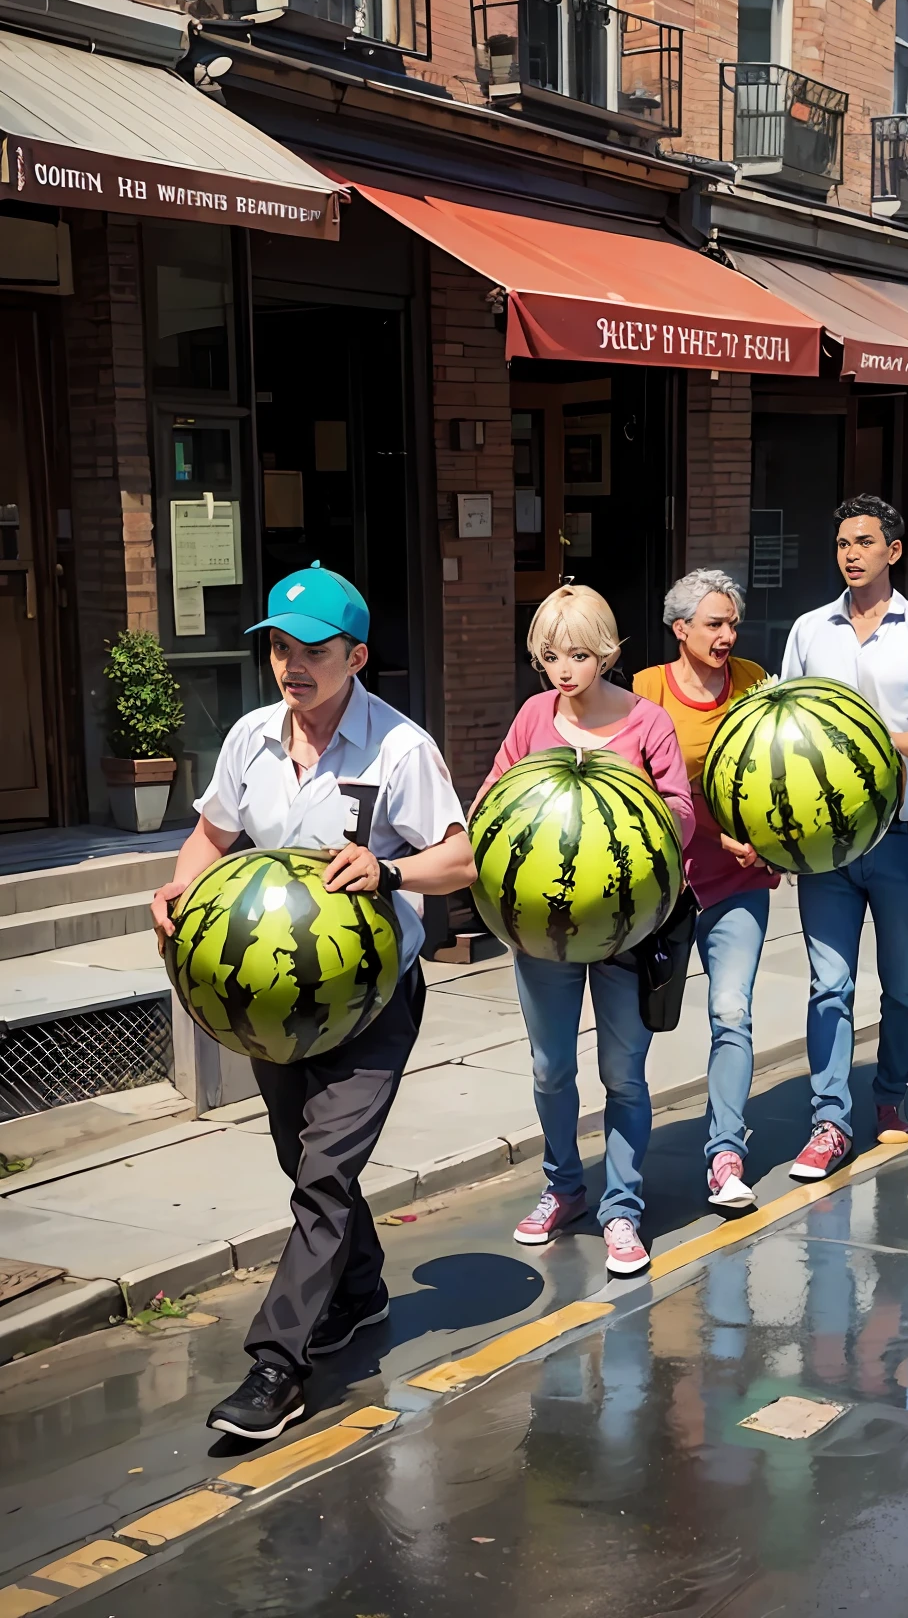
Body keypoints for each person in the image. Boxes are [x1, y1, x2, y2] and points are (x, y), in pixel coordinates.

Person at [149, 565, 475, 1442]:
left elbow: (461, 858)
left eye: (314, 652)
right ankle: (360, 1292)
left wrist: (392, 869)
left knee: (326, 1171)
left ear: (356, 656)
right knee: (303, 1160)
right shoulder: (251, 738)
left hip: (370, 999)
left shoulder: (400, 748)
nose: (293, 666)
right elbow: (212, 835)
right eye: (281, 649)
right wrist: (178, 890)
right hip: (271, 997)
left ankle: (276, 1367)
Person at [478, 585, 693, 1277]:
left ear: (605, 651)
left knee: (623, 1074)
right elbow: (492, 798)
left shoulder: (647, 722)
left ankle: (622, 1208)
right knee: (551, 1068)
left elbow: (682, 811)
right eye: (550, 656)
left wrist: (627, 816)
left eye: (577, 654)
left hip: (629, 932)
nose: (563, 670)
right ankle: (564, 1187)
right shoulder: (533, 718)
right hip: (541, 932)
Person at [779, 494, 908, 1176]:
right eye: (841, 544)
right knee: (829, 986)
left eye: (863, 542)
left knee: (902, 984)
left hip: (901, 838)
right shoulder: (809, 631)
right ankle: (830, 1120)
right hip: (825, 844)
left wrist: (861, 739)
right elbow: (785, 730)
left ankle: (890, 1096)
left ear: (895, 550)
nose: (850, 554)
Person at [633, 569, 775, 1212]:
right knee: (640, 1029)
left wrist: (773, 837)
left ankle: (725, 1154)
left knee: (731, 1013)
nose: (727, 635)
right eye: (713, 624)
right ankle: (621, 1172)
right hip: (667, 889)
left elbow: (776, 767)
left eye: (732, 623)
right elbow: (643, 795)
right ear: (679, 629)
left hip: (740, 881)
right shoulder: (645, 692)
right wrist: (714, 838)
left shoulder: (754, 682)